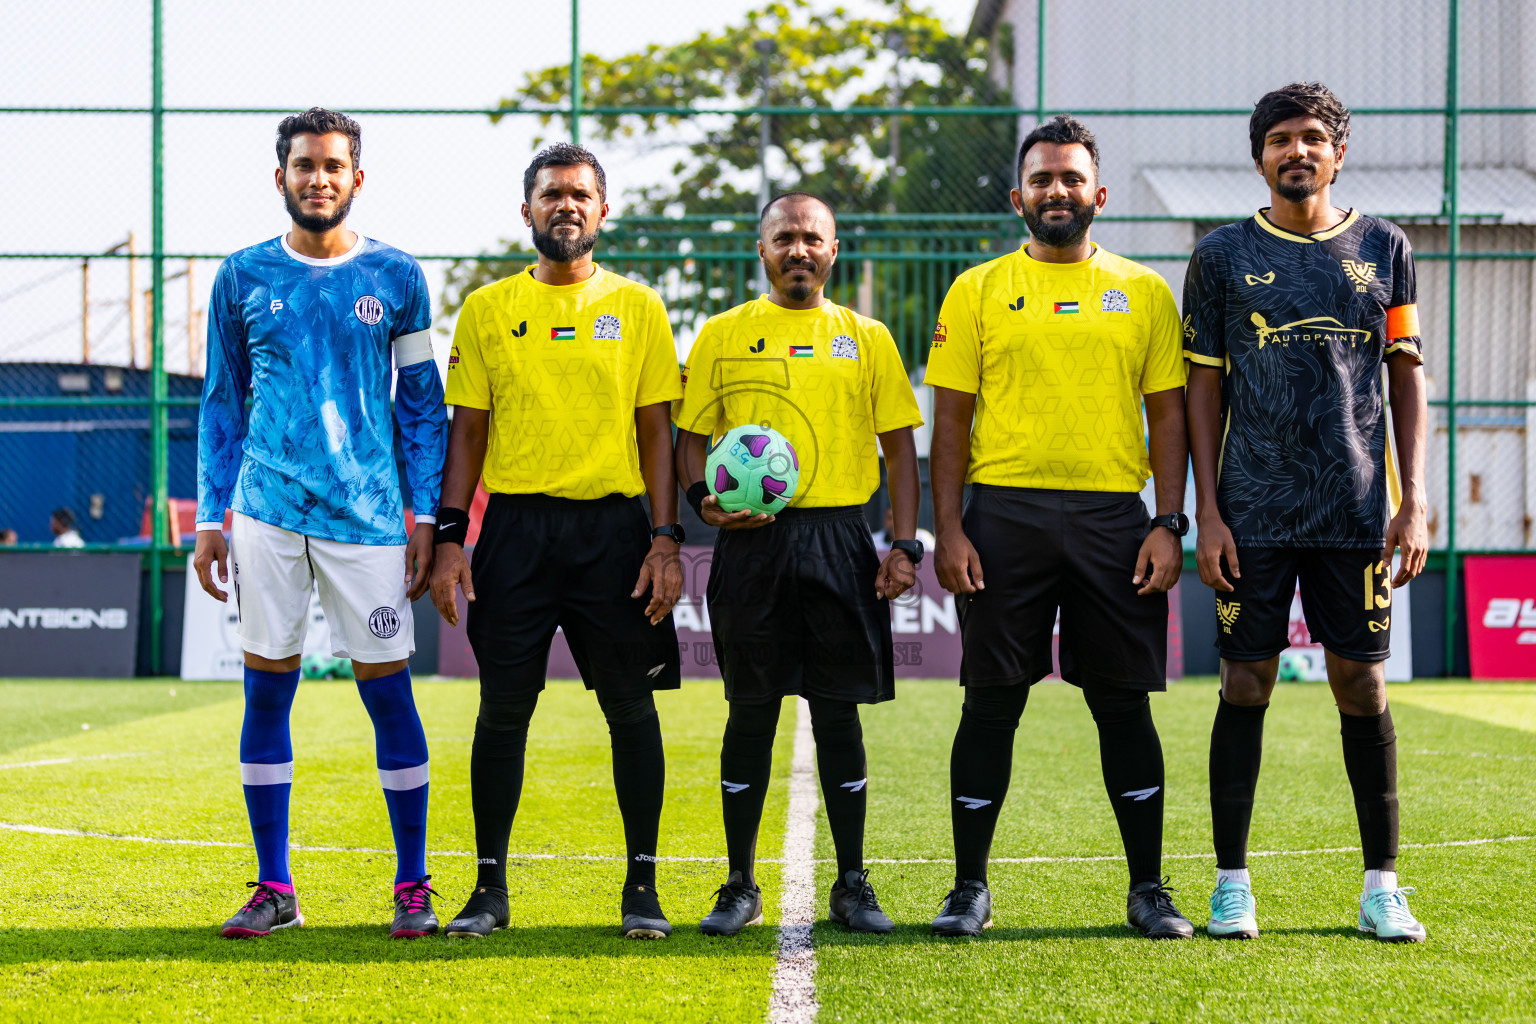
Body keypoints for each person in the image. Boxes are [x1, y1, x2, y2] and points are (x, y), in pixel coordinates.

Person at [925, 115, 1193, 939]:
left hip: (1116, 519)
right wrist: (949, 530)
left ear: (1098, 195)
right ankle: (969, 886)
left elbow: (1171, 416)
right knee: (990, 702)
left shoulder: (1144, 292)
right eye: (1041, 179)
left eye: (1072, 179)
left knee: (1123, 706)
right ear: (1018, 196)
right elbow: (950, 422)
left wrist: (1168, 522)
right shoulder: (976, 289)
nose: (1056, 191)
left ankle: (1148, 889)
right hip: (1003, 515)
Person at [1183, 82, 1429, 943]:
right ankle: (1231, 884)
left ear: (1338, 151)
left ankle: (1382, 887)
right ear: (1259, 156)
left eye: (1313, 138)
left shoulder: (1385, 248)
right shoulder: (1219, 255)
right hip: (1251, 509)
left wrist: (1414, 498)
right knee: (1244, 681)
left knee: (1360, 685)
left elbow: (1405, 373)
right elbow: (1199, 385)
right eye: (1281, 139)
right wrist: (1206, 512)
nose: (1298, 151)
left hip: (1356, 507)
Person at [194, 107, 448, 940]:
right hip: (265, 515)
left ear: (357, 178)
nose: (319, 178)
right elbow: (221, 404)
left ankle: (412, 886)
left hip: (369, 521)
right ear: (282, 178)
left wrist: (424, 516)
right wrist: (209, 518)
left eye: (334, 165)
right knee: (267, 691)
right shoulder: (241, 277)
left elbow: (422, 406)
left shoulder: (399, 276)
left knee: (389, 694)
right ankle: (275, 888)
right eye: (304, 165)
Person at [430, 143, 685, 941]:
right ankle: (488, 891)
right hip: (515, 533)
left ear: (603, 212)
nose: (566, 205)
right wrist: (449, 538)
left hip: (614, 534)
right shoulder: (485, 308)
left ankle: (641, 889)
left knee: (630, 707)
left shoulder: (639, 308)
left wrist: (665, 539)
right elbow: (466, 431)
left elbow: (658, 433)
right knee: (503, 710)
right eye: (551, 195)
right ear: (527, 211)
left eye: (581, 194)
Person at [674, 191, 924, 937]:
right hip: (750, 544)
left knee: (839, 712)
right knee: (750, 710)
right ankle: (740, 884)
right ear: (762, 250)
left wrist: (904, 544)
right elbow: (688, 436)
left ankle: (852, 884)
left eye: (812, 238)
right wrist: (700, 499)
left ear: (834, 250)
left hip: (841, 540)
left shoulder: (865, 337)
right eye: (784, 237)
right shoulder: (721, 334)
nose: (799, 250)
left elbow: (900, 449)